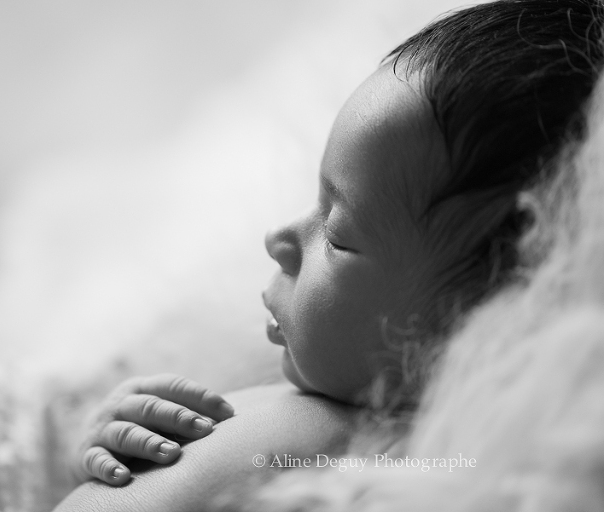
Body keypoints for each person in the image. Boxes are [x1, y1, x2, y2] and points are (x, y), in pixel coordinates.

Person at [55, 1, 604, 510]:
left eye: (338, 233)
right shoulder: (290, 388)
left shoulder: (426, 471)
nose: (281, 239)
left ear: (498, 287)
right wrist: (103, 433)